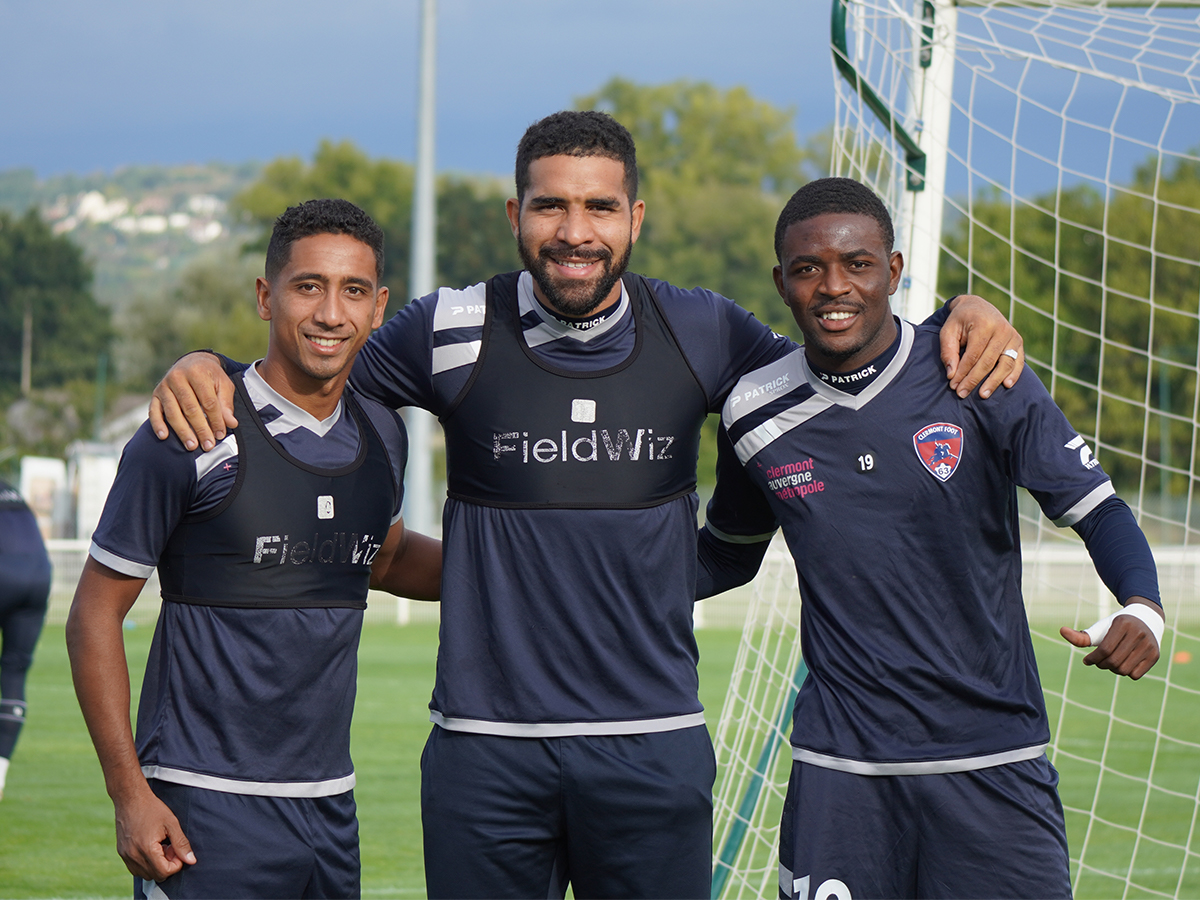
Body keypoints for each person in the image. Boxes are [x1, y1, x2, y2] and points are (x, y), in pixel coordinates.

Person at [148, 112, 1024, 900]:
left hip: (653, 746)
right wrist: (205, 365)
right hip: (482, 752)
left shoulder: (705, 330)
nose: (575, 232)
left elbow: (835, 367)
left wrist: (962, 312)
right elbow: (305, 374)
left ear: (635, 219)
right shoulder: (447, 330)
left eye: (601, 208)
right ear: (514, 215)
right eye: (550, 207)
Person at [698, 177, 1163, 899]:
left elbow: (1097, 510)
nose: (833, 287)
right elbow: (726, 552)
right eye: (808, 268)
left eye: (857, 263)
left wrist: (1143, 608)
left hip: (992, 762)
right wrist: (579, 574)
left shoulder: (979, 372)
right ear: (781, 282)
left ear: (894, 270)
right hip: (841, 774)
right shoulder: (753, 412)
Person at [66, 199, 441, 899]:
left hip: (331, 809)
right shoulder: (193, 427)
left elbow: (381, 558)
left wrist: (519, 564)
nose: (331, 312)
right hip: (203, 807)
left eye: (353, 290)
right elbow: (93, 614)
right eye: (308, 286)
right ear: (266, 296)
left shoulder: (386, 436)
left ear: (379, 305)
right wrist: (130, 795)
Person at [0, 479, 52, 801]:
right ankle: (0, 769)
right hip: (39, 576)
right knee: (15, 671)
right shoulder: (13, 492)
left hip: (4, 572)